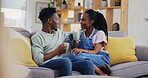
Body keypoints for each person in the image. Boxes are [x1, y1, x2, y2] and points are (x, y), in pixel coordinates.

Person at [31, 8, 95, 77]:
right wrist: (57, 51)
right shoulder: (37, 37)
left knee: (88, 64)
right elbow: (38, 60)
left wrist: (72, 37)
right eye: (57, 19)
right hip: (46, 63)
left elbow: (70, 36)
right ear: (49, 21)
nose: (58, 22)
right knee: (66, 61)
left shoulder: (59, 33)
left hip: (61, 62)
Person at [68, 9, 111, 75]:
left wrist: (81, 50)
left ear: (91, 22)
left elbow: (96, 51)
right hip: (85, 57)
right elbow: (76, 49)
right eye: (80, 20)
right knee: (72, 55)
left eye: (83, 20)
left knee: (75, 55)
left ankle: (101, 72)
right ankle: (94, 67)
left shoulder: (99, 33)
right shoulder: (81, 34)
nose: (80, 22)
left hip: (100, 59)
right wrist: (74, 40)